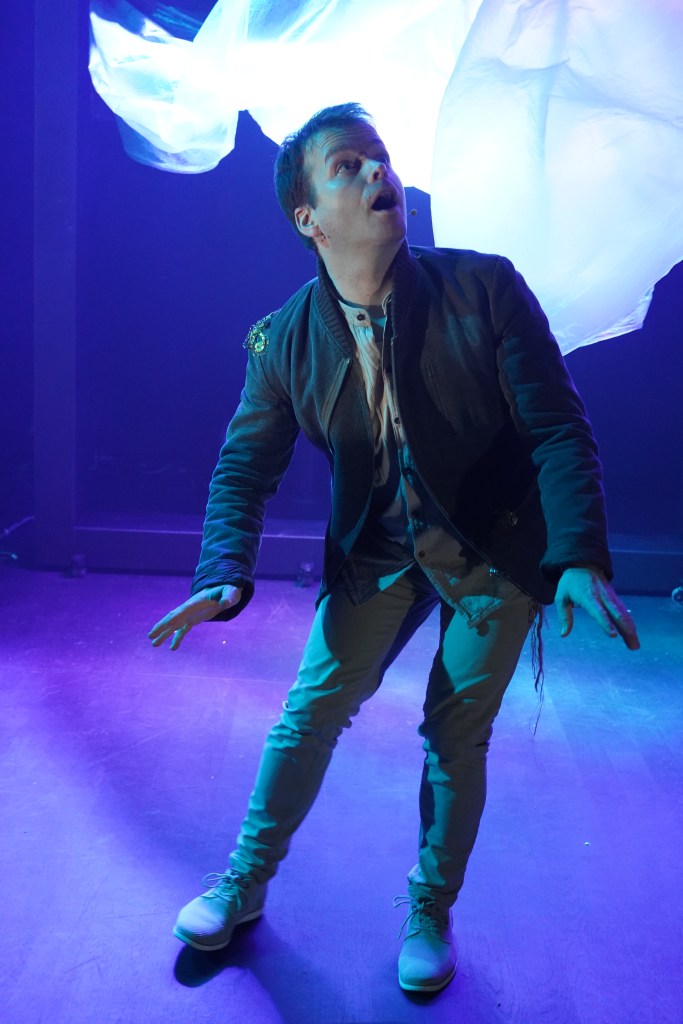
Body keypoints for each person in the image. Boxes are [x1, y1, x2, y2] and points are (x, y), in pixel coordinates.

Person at [149, 102, 639, 994]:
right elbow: (243, 468)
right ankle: (243, 883)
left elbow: (558, 431)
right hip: (376, 552)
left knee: (455, 736)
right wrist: (223, 573)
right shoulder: (284, 341)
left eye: (379, 157)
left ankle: (428, 910)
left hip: (492, 551)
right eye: (348, 165)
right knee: (308, 713)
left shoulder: (484, 288)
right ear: (308, 219)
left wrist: (576, 556)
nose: (378, 172)